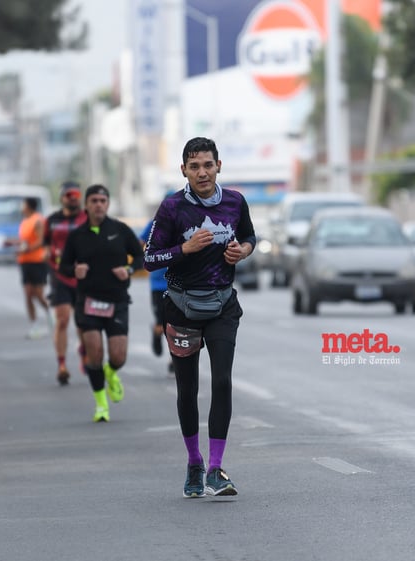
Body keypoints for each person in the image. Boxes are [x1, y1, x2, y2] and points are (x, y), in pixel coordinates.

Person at [144, 137, 256, 498]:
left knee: (222, 381)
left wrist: (243, 251)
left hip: (222, 305)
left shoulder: (235, 202)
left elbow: (251, 236)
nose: (202, 172)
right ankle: (194, 461)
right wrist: (183, 249)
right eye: (194, 167)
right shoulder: (173, 207)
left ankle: (215, 468)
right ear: (184, 171)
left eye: (208, 165)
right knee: (187, 388)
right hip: (181, 308)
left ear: (219, 166)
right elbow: (149, 260)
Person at [59, 184, 143, 422]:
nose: (98, 205)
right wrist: (75, 270)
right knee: (94, 354)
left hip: (117, 300)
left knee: (118, 357)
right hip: (88, 302)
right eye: (94, 200)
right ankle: (101, 405)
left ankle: (111, 372)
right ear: (86, 205)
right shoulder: (77, 236)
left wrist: (128, 269)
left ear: (108, 204)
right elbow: (63, 265)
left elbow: (140, 256)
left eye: (102, 201)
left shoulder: (120, 230)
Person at [43, 181, 88, 385]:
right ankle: (61, 365)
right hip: (60, 276)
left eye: (77, 194)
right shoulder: (51, 221)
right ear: (62, 198)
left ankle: (83, 350)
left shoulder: (87, 218)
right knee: (62, 320)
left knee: (82, 321)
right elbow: (45, 246)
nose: (74, 198)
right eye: (69, 195)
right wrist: (50, 263)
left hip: (83, 277)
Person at [13, 197, 52, 339]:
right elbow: (24, 241)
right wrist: (13, 242)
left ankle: (50, 315)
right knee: (28, 294)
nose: (21, 207)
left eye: (23, 204)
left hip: (38, 262)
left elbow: (41, 241)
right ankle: (34, 325)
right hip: (25, 262)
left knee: (38, 294)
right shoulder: (24, 222)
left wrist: (26, 249)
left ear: (29, 206)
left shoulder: (38, 220)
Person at [139, 218, 173, 375]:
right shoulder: (154, 224)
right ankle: (156, 331)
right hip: (158, 284)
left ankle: (174, 359)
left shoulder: (187, 221)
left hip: (180, 283)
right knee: (162, 324)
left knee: (178, 324)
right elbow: (140, 242)